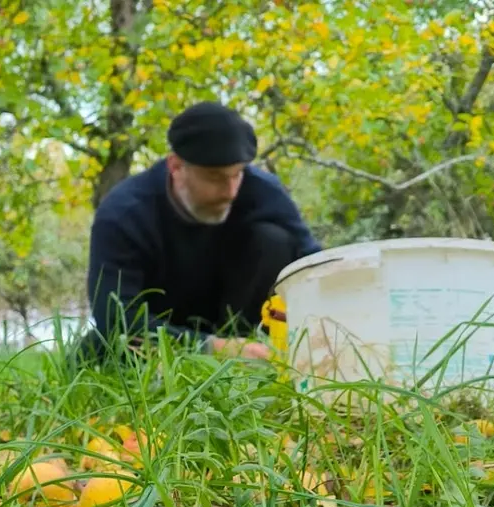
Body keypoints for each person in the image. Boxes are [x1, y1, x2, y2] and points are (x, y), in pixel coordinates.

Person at [84, 101, 321, 360]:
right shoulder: (123, 214)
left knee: (274, 239)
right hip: (159, 336)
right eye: (216, 177)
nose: (231, 191)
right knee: (99, 349)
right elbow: (114, 317)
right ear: (175, 166)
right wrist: (212, 349)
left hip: (237, 318)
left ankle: (252, 346)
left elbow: (314, 267)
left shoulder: (262, 191)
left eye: (238, 174)